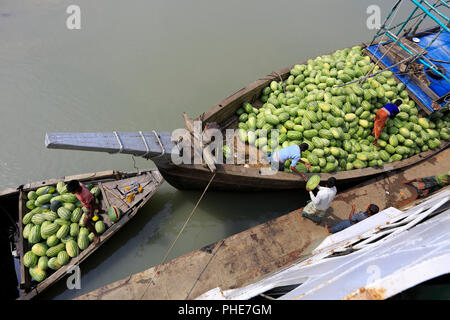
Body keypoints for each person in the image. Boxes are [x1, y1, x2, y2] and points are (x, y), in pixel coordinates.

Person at [66, 180, 102, 246]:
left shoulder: (85, 195)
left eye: (72, 192)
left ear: (76, 189)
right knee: (95, 204)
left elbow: (91, 204)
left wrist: (91, 213)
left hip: (89, 205)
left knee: (85, 222)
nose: (71, 193)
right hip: (90, 199)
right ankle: (101, 210)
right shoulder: (79, 184)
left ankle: (96, 235)